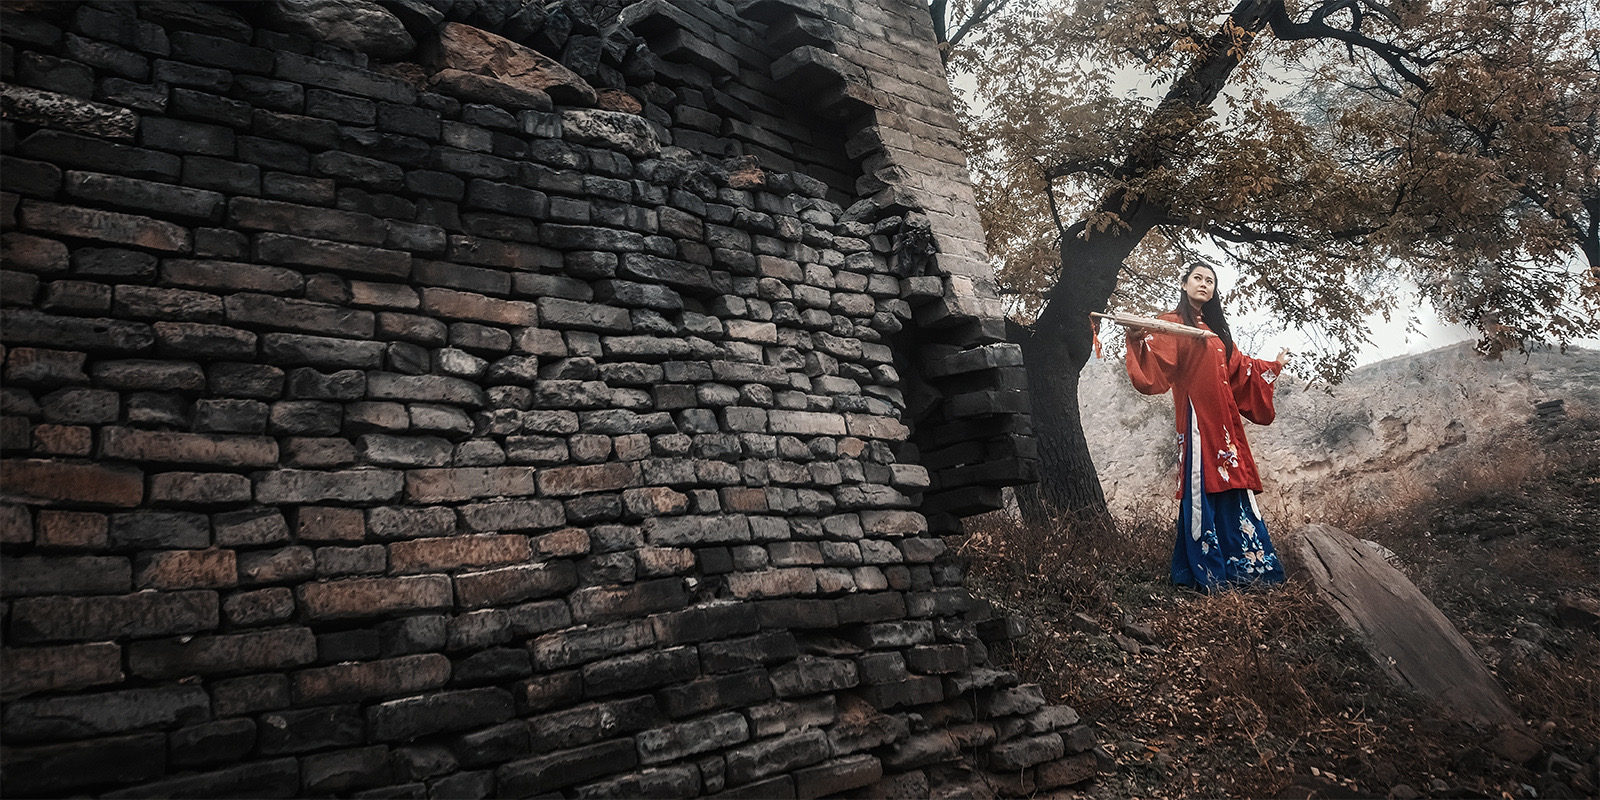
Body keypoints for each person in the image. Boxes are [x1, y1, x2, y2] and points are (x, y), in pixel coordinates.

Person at [1123, 263, 1289, 591]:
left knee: (1234, 486)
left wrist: (1274, 365)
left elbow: (1242, 369)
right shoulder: (1170, 325)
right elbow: (1156, 368)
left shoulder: (1216, 331)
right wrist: (1136, 338)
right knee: (1202, 488)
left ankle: (1249, 570)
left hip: (1226, 425)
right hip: (1198, 420)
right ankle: (1208, 574)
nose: (1204, 284)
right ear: (1184, 284)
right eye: (1197, 278)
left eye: (1210, 280)